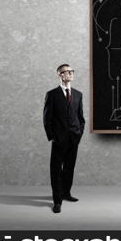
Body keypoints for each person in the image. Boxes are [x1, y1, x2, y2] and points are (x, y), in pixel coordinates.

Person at [43, 64, 85, 213]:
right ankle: (57, 201)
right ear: (60, 75)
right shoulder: (52, 94)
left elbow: (81, 118)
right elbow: (47, 119)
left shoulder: (78, 94)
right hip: (59, 139)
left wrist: (79, 134)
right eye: (68, 72)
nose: (71, 73)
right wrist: (52, 137)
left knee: (69, 168)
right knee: (56, 170)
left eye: (72, 71)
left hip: (74, 138)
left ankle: (66, 193)